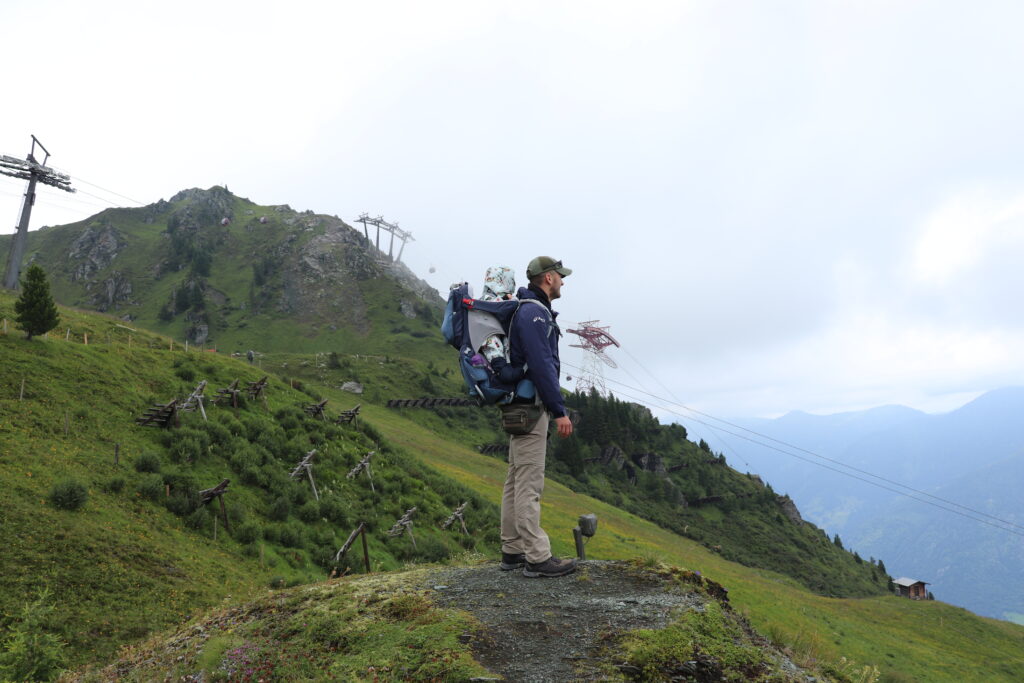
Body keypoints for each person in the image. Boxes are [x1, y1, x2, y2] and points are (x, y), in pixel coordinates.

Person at [499, 256, 576, 578]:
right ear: (547, 278)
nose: (563, 281)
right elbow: (542, 364)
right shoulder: (534, 314)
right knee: (530, 483)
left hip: (519, 405)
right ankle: (537, 558)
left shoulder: (526, 310)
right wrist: (559, 410)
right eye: (560, 276)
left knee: (516, 480)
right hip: (531, 409)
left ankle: (512, 549)